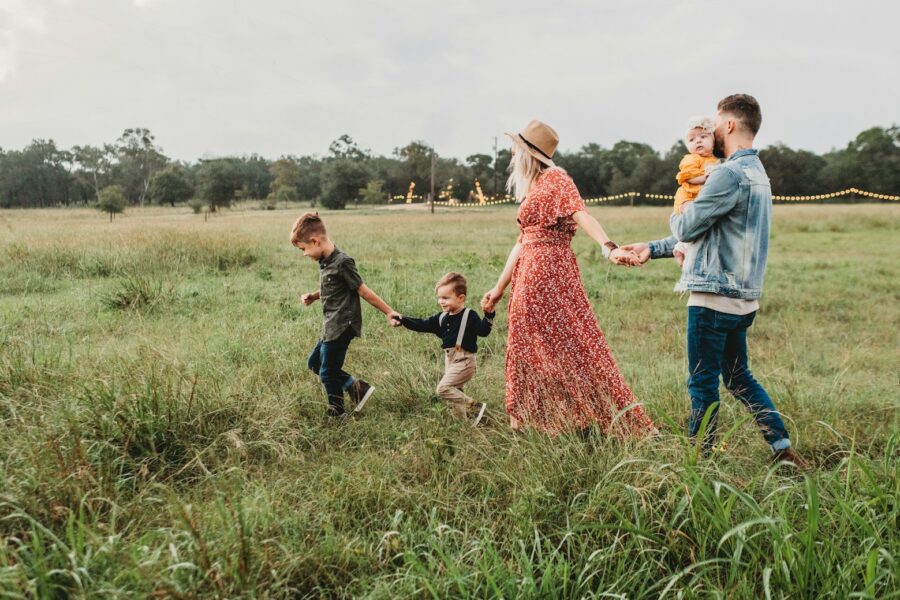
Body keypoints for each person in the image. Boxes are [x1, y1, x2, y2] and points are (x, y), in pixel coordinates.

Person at [621, 94, 809, 469]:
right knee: (739, 378)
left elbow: (689, 226)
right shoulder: (758, 174)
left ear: (729, 125)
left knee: (702, 383)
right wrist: (653, 248)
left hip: (712, 298)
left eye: (715, 124)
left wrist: (680, 210)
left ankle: (698, 461)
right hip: (743, 299)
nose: (710, 132)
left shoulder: (726, 173)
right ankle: (782, 449)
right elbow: (712, 233)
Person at [481, 119, 657, 436]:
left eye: (515, 148)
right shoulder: (534, 186)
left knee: (571, 344)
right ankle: (533, 421)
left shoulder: (557, 179)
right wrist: (498, 287)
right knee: (526, 346)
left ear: (529, 153)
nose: (511, 153)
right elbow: (522, 241)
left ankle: (578, 417)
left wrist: (609, 248)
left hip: (549, 272)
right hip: (528, 272)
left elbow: (582, 214)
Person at [291, 212, 397, 417]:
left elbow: (363, 291)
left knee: (327, 372)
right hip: (330, 325)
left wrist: (389, 312)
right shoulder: (326, 262)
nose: (304, 254)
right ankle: (357, 388)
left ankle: (337, 411)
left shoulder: (343, 262)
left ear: (315, 241)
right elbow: (333, 288)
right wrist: (314, 296)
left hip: (342, 325)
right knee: (315, 363)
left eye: (304, 249)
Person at [392, 272, 493, 425]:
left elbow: (483, 331)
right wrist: (402, 319)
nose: (441, 301)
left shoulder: (469, 315)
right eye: (439, 298)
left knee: (443, 389)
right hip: (450, 360)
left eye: (446, 298)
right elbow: (422, 324)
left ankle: (475, 407)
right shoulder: (442, 318)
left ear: (461, 298)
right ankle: (462, 425)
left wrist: (489, 314)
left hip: (465, 360)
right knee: (455, 395)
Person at [672, 116, 720, 278]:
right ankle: (683, 250)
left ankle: (681, 248)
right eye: (692, 139)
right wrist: (706, 178)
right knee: (693, 220)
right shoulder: (691, 159)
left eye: (703, 137)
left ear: (713, 140)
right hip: (688, 197)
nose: (698, 141)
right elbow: (689, 177)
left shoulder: (714, 161)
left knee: (701, 225)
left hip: (700, 198)